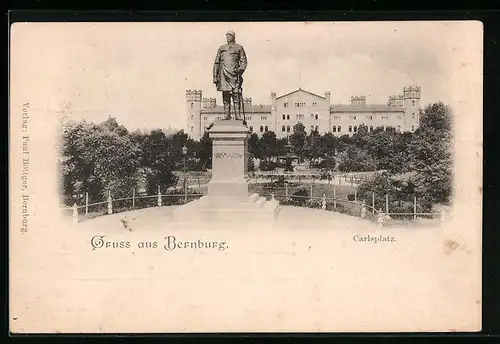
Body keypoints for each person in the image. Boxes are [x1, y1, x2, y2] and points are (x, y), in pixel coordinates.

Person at [213, 30, 248, 120]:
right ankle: (227, 114)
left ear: (233, 37)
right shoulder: (221, 48)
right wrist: (215, 76)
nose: (228, 37)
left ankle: (237, 115)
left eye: (230, 35)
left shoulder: (239, 48)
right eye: (227, 35)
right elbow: (216, 63)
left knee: (236, 94)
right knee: (225, 95)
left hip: (234, 75)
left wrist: (240, 70)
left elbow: (243, 61)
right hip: (223, 74)